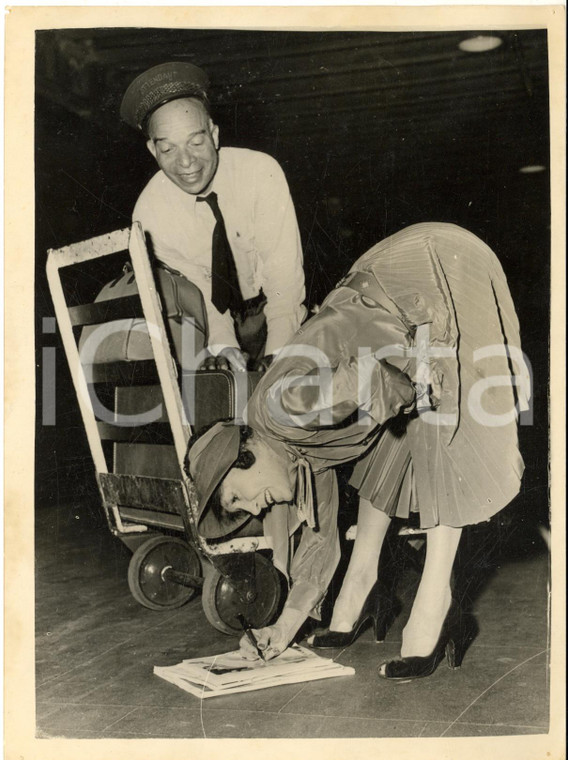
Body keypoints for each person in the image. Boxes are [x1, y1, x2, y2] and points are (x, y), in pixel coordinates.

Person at [186, 222, 530, 680]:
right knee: (380, 446)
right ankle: (360, 588)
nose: (254, 508)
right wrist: (284, 626)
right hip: (393, 287)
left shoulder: (281, 409)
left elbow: (369, 380)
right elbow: (322, 531)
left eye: (239, 497)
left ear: (243, 455)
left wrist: (416, 391)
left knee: (438, 407)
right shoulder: (293, 450)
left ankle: (436, 602)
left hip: (433, 267)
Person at [120, 61, 306, 373]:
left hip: (276, 311)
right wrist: (224, 347)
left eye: (196, 142)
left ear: (214, 135)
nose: (186, 162)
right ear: (153, 150)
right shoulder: (149, 214)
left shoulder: (260, 173)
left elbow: (283, 276)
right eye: (168, 150)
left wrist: (279, 354)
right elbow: (198, 291)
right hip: (210, 328)